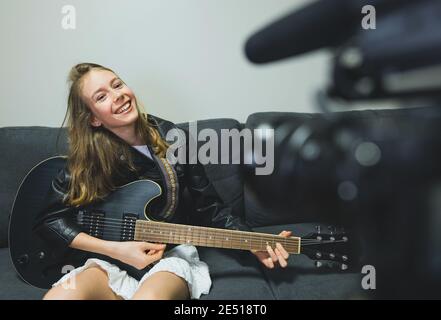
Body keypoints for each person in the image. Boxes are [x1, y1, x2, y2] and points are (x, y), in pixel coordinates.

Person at [36, 63, 292, 300]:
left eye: (117, 84)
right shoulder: (88, 159)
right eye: (101, 96)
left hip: (167, 258)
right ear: (94, 118)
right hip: (108, 260)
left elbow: (210, 208)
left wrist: (250, 243)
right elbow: (49, 221)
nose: (117, 95)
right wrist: (117, 250)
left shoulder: (174, 138)